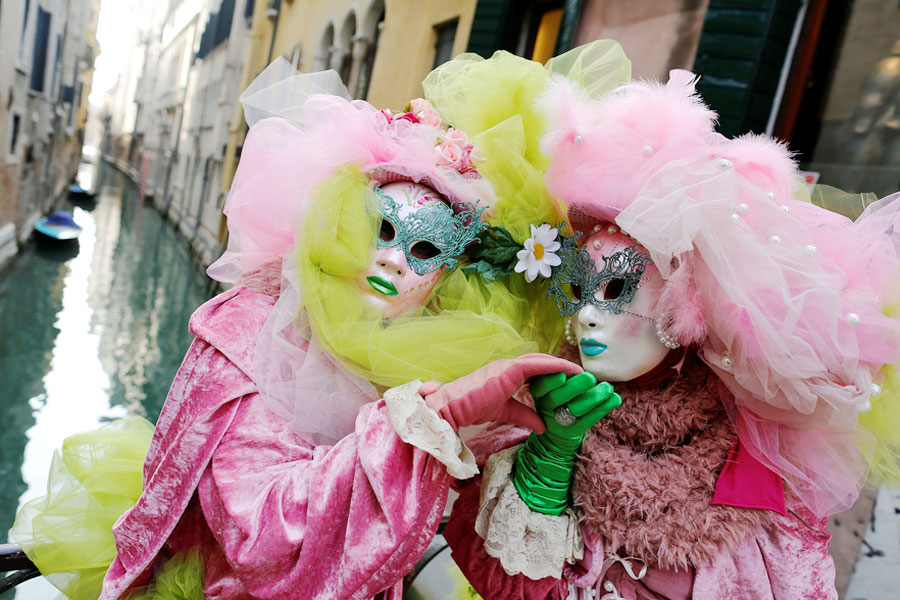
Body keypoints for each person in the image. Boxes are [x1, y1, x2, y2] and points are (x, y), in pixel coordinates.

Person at [12, 60, 571, 600]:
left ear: (444, 278)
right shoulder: (247, 336)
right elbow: (265, 537)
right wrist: (432, 421)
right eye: (378, 230)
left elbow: (494, 559)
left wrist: (545, 459)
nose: (395, 261)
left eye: (425, 250)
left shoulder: (426, 356)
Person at [426, 54, 900, 599]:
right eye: (577, 289)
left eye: (615, 290)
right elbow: (499, 580)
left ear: (688, 304)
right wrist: (549, 462)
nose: (585, 313)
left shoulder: (754, 453)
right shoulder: (535, 406)